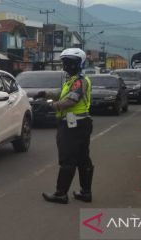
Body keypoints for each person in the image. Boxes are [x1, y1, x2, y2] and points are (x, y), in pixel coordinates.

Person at [34, 48, 94, 204]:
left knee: (68, 159)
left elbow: (71, 100)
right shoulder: (74, 80)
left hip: (72, 125)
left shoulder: (79, 81)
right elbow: (62, 93)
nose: (66, 65)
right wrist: (45, 94)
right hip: (81, 123)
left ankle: (61, 194)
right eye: (65, 62)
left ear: (79, 64)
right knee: (82, 159)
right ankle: (86, 193)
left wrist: (51, 106)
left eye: (70, 63)